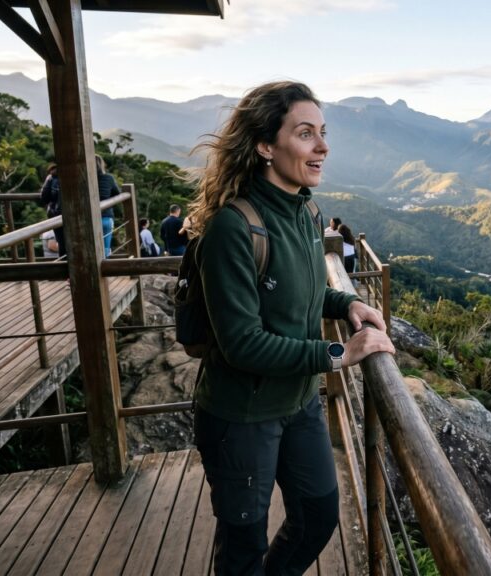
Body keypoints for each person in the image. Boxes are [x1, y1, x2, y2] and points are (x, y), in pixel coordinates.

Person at [187, 81, 395, 575]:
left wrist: (346, 303)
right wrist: (336, 356)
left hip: (298, 402)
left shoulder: (305, 211)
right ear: (264, 145)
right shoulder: (231, 228)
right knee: (242, 548)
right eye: (306, 134)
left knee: (319, 515)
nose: (322, 146)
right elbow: (242, 343)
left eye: (322, 133)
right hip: (241, 417)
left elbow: (299, 293)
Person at [39, 163, 66, 258]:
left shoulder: (51, 179)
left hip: (56, 214)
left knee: (62, 243)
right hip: (74, 213)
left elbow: (44, 199)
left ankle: (65, 268)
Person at [96, 155, 120, 257]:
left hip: (88, 218)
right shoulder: (108, 178)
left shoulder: (83, 179)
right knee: (105, 247)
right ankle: (104, 270)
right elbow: (117, 193)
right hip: (106, 216)